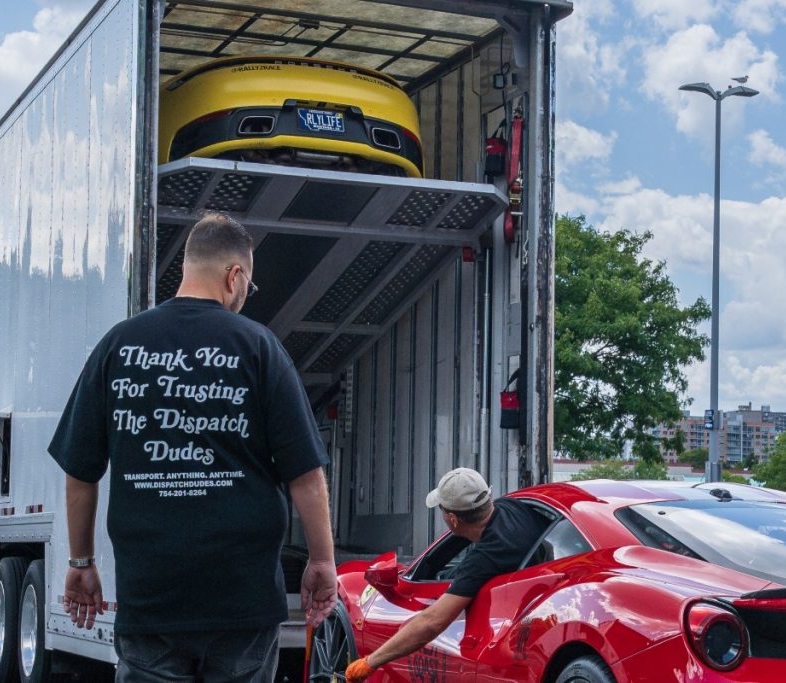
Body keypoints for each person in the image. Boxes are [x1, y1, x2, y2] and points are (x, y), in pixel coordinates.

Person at [49, 213, 337, 682]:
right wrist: (322, 561)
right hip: (242, 606)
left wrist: (81, 562)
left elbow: (81, 470)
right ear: (234, 276)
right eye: (250, 286)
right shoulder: (258, 347)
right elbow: (304, 474)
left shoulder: (119, 346)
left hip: (151, 602)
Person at [344, 468, 549, 683]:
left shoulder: (483, 560)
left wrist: (370, 662)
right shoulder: (516, 505)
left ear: (452, 519)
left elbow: (432, 621)